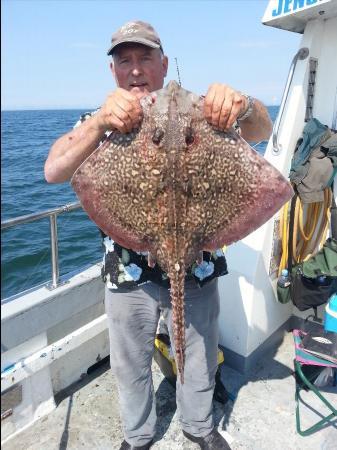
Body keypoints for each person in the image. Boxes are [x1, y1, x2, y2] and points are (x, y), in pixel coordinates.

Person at [45, 20, 272, 450]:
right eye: (124, 60)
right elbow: (53, 170)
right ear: (112, 71)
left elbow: (262, 130)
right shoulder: (101, 122)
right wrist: (97, 125)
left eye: (145, 57)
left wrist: (242, 105)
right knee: (130, 365)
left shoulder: (201, 113)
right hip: (127, 273)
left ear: (163, 65)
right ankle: (138, 435)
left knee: (201, 359)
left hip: (198, 262)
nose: (135, 70)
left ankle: (199, 427)